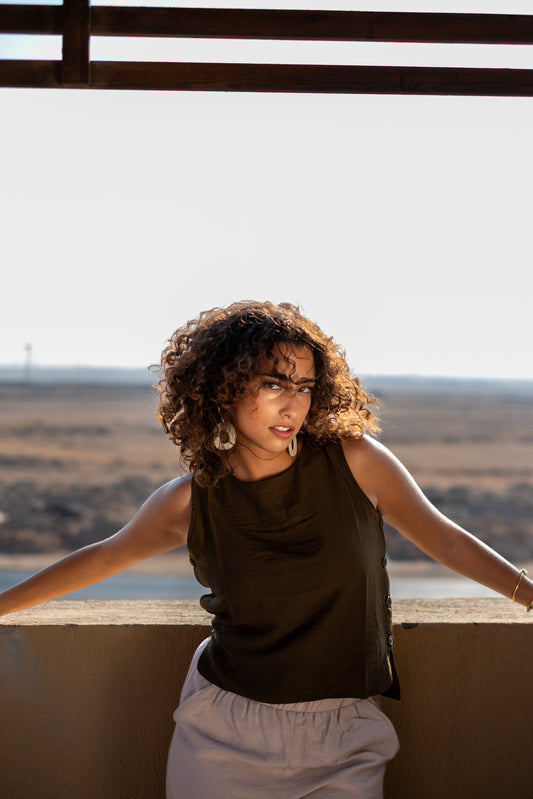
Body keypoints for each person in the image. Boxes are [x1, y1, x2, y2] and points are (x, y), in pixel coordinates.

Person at [0, 300, 531, 799]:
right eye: (273, 383)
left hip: (346, 735)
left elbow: (444, 537)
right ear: (223, 389)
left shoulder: (356, 462)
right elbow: (102, 558)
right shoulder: (189, 501)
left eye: (303, 386)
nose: (292, 403)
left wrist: (529, 595)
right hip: (222, 733)